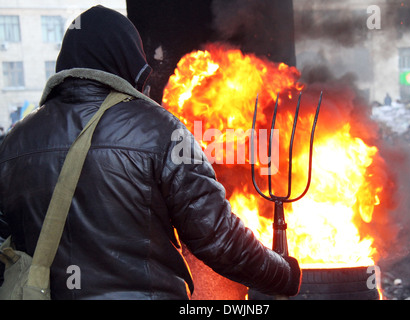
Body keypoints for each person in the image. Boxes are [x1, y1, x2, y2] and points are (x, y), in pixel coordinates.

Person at [0, 6, 301, 299]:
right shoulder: (160, 131)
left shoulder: (13, 144)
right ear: (128, 61)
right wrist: (284, 275)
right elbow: (217, 236)